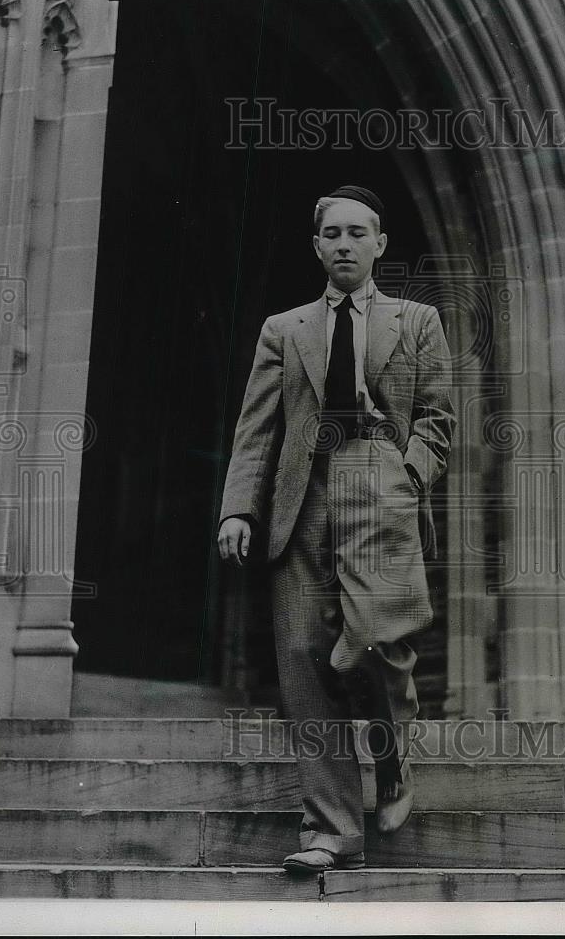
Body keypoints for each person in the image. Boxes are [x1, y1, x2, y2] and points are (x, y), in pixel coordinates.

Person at [217, 185, 455, 873]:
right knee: (299, 658)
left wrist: (406, 478)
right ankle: (330, 830)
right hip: (303, 494)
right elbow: (256, 429)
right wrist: (239, 507)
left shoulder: (416, 320)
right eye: (333, 234)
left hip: (378, 480)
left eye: (358, 233)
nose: (345, 244)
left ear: (379, 244)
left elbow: (437, 419)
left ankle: (390, 757)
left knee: (375, 645)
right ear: (316, 245)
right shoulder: (282, 330)